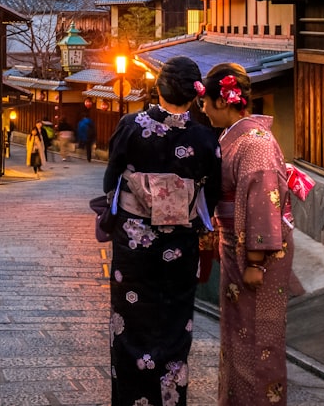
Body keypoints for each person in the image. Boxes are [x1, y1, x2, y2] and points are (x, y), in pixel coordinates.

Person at [102, 56, 220, 406]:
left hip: (134, 246)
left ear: (158, 87)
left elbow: (111, 181)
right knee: (173, 328)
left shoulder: (130, 125)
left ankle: (130, 400)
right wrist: (189, 218)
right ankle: (169, 399)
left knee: (130, 327)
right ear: (195, 94)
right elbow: (209, 197)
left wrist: (128, 213)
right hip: (179, 249)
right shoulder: (204, 138)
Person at [201, 62, 306, 405]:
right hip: (236, 247)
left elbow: (263, 202)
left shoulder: (255, 144)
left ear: (223, 101)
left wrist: (256, 262)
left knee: (259, 338)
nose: (202, 108)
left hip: (256, 255)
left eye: (205, 101)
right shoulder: (239, 138)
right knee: (238, 335)